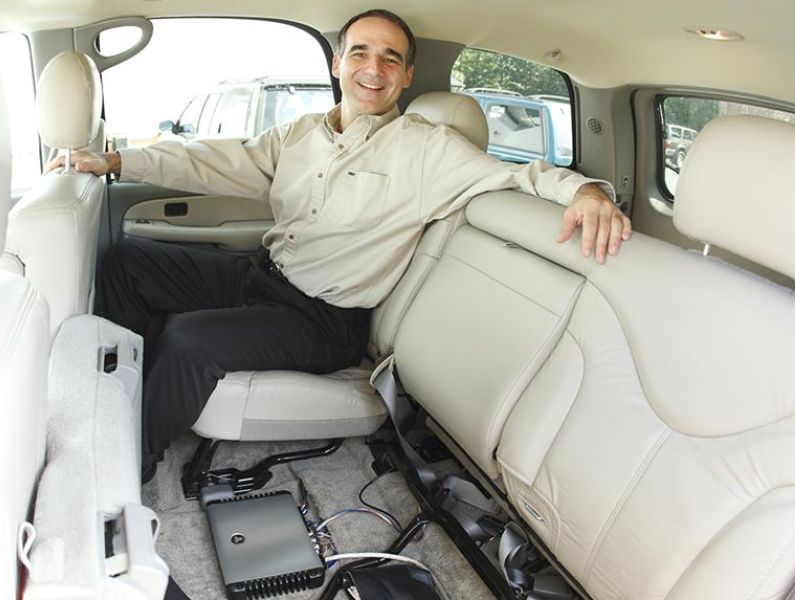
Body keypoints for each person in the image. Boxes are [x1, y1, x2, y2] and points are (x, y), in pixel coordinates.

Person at [49, 9, 631, 476]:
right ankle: (116, 397)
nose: (373, 68)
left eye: (391, 58)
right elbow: (218, 159)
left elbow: (515, 174)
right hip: (264, 276)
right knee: (126, 263)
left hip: (324, 319)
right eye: (360, 52)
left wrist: (586, 191)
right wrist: (118, 160)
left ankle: (120, 466)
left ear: (406, 75)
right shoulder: (302, 133)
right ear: (337, 62)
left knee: (189, 340)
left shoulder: (426, 149)